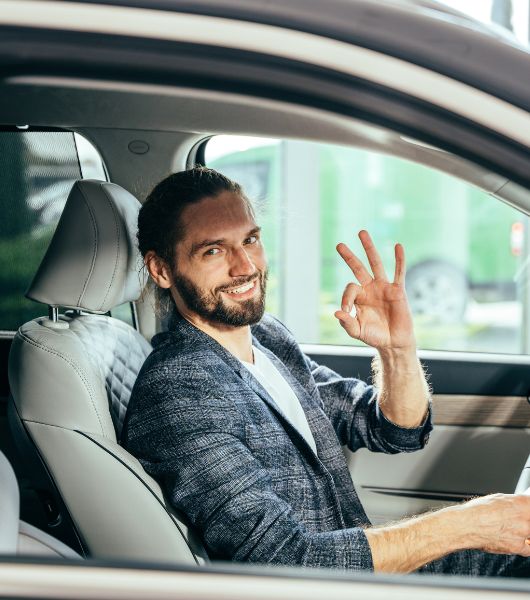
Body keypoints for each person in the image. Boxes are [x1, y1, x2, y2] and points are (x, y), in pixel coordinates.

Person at [123, 166, 530, 576]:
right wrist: (469, 523)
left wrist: (396, 349)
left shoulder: (266, 336)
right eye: (214, 250)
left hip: (360, 570)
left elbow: (393, 429)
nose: (245, 266)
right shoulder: (179, 391)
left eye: (250, 240)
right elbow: (284, 561)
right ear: (161, 270)